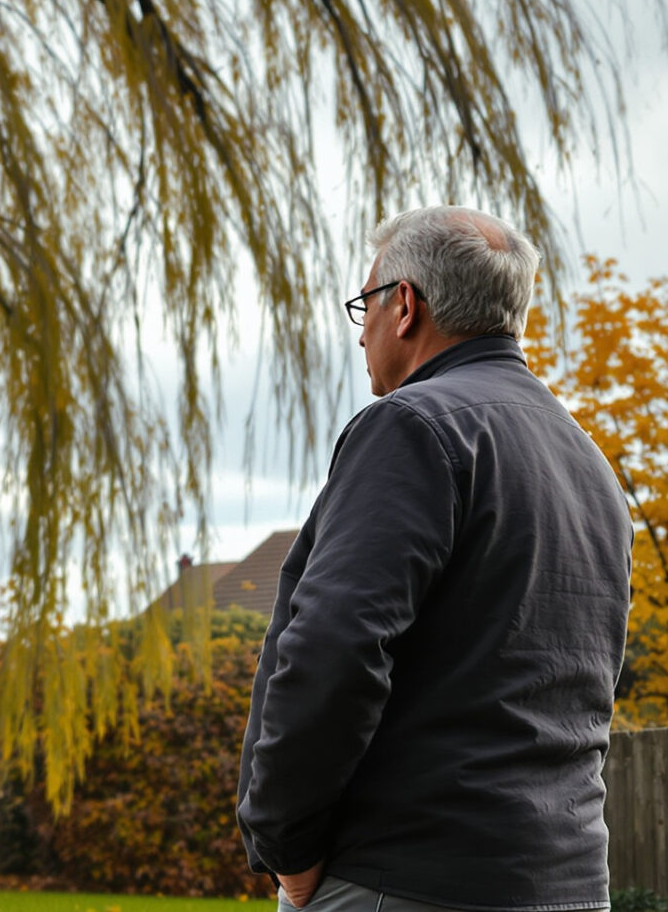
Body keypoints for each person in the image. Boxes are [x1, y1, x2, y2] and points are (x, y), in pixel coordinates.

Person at [236, 206, 631, 912]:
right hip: (566, 883)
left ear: (405, 305)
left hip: (405, 880)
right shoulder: (590, 464)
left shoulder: (411, 427)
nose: (360, 332)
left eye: (366, 304)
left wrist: (287, 847)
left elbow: (334, 649)